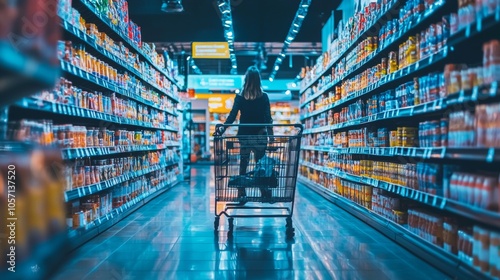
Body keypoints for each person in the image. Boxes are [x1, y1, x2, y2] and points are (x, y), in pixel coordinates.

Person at [223, 66, 273, 204]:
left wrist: (222, 128)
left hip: (245, 136)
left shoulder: (240, 96)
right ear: (258, 80)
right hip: (260, 136)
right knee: (261, 165)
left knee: (243, 164)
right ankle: (264, 191)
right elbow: (268, 118)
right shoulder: (264, 97)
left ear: (246, 79)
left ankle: (241, 193)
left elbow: (232, 116)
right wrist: (271, 135)